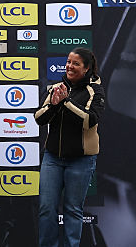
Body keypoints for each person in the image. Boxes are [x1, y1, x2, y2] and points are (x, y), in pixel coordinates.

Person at [35, 47, 105, 247]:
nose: (69, 66)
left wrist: (66, 102)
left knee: (73, 210)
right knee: (47, 208)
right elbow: (39, 118)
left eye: (75, 63)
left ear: (87, 69)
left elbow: (89, 121)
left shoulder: (95, 90)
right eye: (68, 62)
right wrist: (55, 104)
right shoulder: (56, 88)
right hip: (53, 158)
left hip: (81, 160)